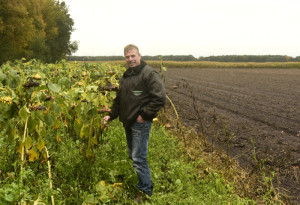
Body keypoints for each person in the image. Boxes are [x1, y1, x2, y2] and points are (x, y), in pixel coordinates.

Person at [102, 44, 166, 201]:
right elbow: (119, 100)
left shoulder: (149, 74)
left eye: (133, 56)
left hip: (140, 123)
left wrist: (144, 115)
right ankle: (145, 184)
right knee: (134, 156)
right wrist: (110, 115)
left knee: (139, 158)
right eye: (127, 57)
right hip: (128, 122)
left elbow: (160, 98)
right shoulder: (126, 76)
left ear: (139, 56)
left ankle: (145, 191)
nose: (130, 59)